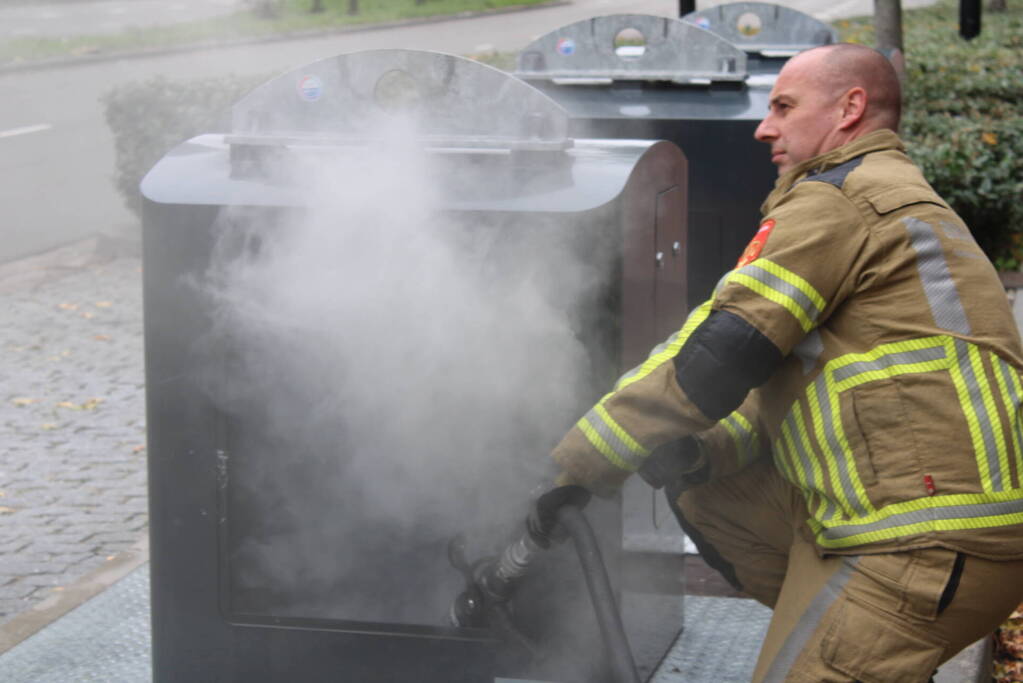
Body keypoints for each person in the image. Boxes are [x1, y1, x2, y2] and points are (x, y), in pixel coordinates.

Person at [545, 43, 1023, 681]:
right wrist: (693, 451)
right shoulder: (890, 197)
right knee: (700, 477)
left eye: (783, 106)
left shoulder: (839, 200)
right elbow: (769, 386)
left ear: (850, 108)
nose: (763, 126)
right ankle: (842, 635)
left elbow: (717, 358)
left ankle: (858, 640)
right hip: (955, 527)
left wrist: (573, 465)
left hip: (919, 543)